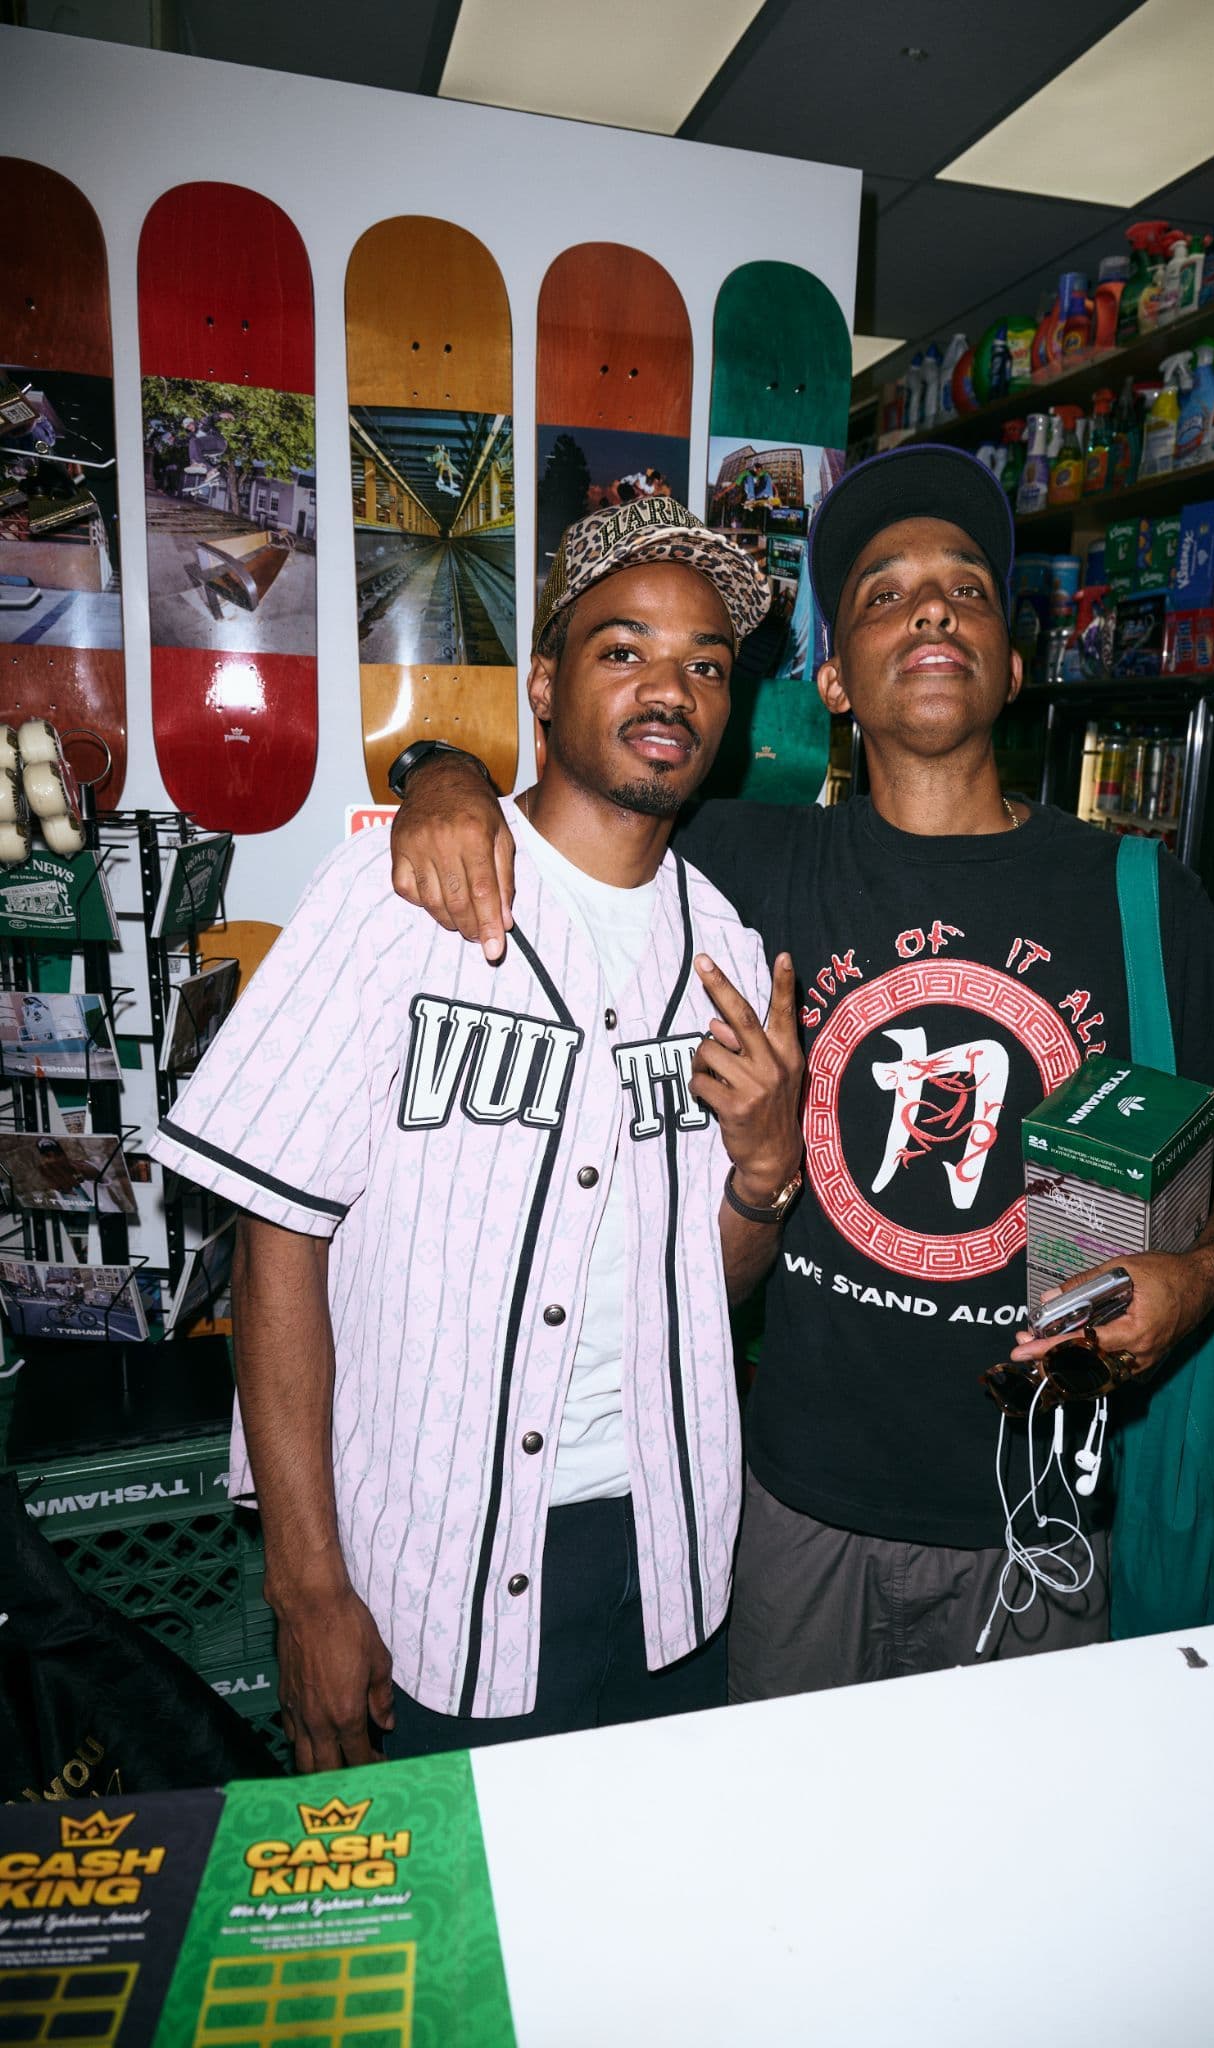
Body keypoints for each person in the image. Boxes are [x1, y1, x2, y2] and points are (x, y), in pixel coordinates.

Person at [387, 444, 1214, 1702]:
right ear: (829, 679)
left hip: (1041, 1516)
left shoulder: (1139, 893)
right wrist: (439, 775)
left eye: (966, 587)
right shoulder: (741, 863)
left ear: (1016, 663)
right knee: (783, 1868)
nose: (930, 607)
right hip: (790, 1506)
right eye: (882, 592)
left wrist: (1198, 1273)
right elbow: (582, 784)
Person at [147, 495, 806, 1769]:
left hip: (669, 1556)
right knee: (446, 1951)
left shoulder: (728, 950)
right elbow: (278, 1238)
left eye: (705, 664)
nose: (668, 686)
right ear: (547, 684)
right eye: (624, 650)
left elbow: (701, 1292)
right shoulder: (404, 889)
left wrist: (766, 1172)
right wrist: (306, 1583)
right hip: (429, 1573)